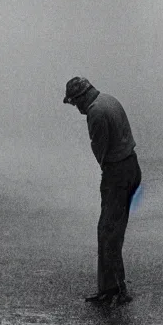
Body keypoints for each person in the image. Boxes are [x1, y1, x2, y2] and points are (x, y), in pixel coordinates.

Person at [63, 76, 141, 305]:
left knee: (108, 232)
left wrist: (108, 177)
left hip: (117, 173)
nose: (77, 108)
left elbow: (101, 151)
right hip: (132, 166)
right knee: (112, 230)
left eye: (76, 103)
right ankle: (111, 287)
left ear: (81, 96)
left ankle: (115, 289)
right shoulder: (109, 99)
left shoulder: (95, 112)